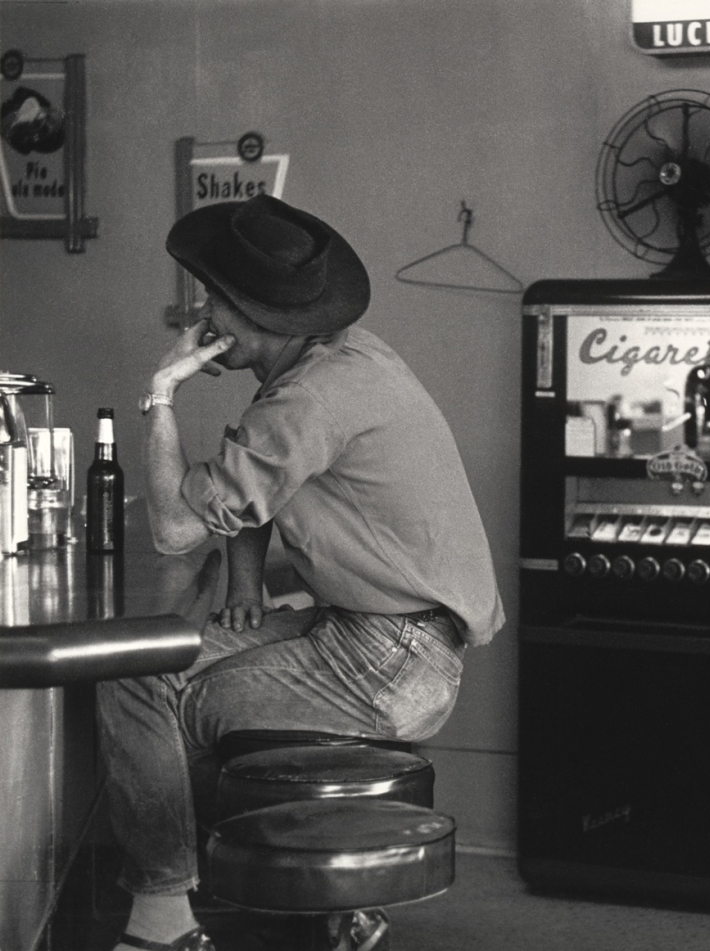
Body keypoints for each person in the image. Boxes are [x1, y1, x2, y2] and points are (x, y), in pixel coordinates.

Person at [98, 194, 504, 951]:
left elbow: (175, 526)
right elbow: (257, 477)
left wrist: (160, 393)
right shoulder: (343, 360)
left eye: (217, 299)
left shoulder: (310, 398)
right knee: (143, 668)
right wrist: (246, 582)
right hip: (373, 634)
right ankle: (289, 896)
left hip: (389, 660)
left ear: (259, 316)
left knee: (157, 689)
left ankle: (166, 920)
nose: (205, 314)